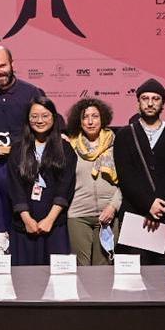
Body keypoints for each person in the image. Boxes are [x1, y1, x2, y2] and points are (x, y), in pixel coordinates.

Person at [0, 46, 46, 255]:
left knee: (5, 178)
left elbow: (43, 126)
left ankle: (12, 236)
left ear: (12, 64)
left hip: (24, 157)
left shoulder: (31, 92)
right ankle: (0, 238)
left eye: (2, 66)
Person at [113, 79, 165, 264]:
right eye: (145, 98)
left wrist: (158, 205)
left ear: (163, 102)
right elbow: (126, 176)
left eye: (155, 98)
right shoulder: (125, 135)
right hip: (136, 216)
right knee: (135, 277)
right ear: (138, 101)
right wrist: (148, 204)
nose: (150, 102)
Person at [7, 97, 76, 265]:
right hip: (24, 226)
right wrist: (27, 219)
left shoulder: (65, 148)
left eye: (45, 116)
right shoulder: (17, 149)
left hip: (55, 225)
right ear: (28, 119)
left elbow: (65, 185)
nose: (39, 121)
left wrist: (50, 220)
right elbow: (14, 186)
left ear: (53, 117)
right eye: (34, 116)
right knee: (26, 282)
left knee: (58, 283)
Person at [64, 98, 122, 266]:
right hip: (78, 215)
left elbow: (125, 181)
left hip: (108, 215)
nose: (90, 121)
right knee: (80, 269)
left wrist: (113, 206)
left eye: (95, 116)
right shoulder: (70, 145)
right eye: (85, 117)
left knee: (102, 270)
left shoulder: (116, 143)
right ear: (79, 121)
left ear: (102, 118)